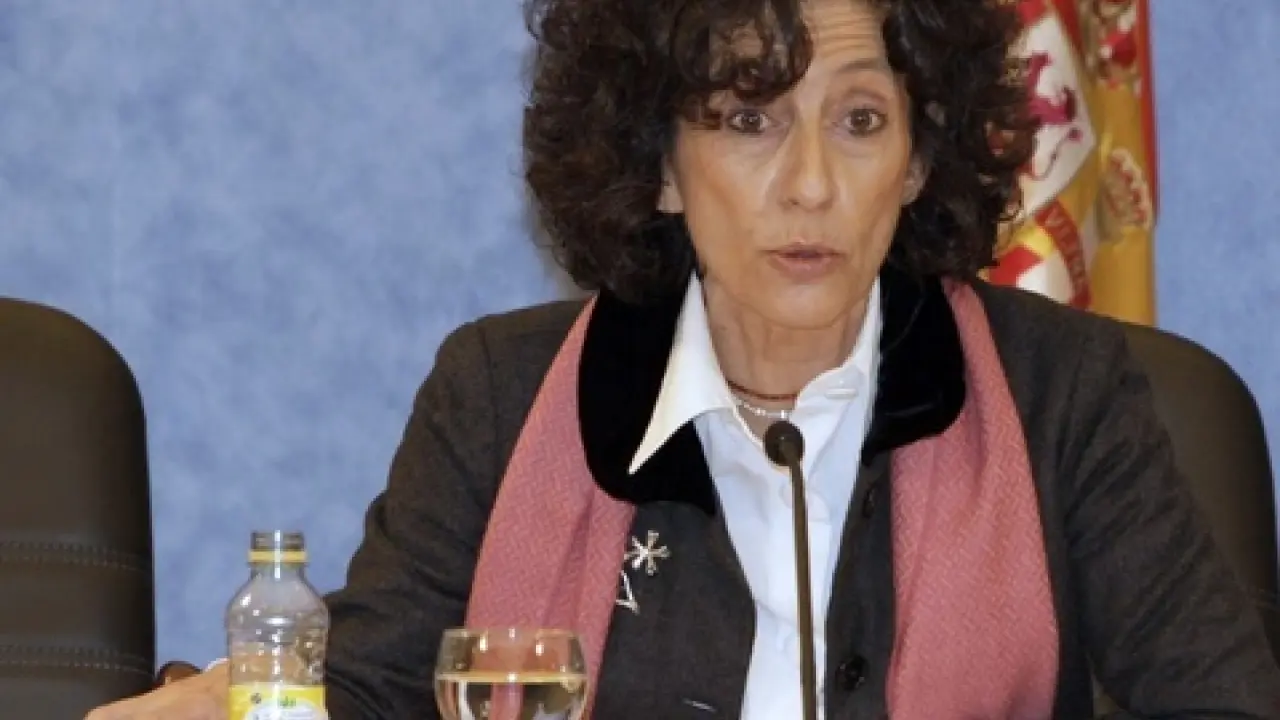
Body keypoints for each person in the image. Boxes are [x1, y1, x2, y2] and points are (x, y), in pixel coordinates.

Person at [88, 0, 1280, 718]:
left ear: (917, 163)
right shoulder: (501, 395)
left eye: (859, 121)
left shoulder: (1058, 393)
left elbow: (1221, 701)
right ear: (659, 164)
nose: (808, 183)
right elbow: (369, 690)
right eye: (746, 118)